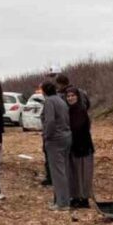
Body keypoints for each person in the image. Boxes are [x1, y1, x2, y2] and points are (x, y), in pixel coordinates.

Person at [40, 81, 72, 211]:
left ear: (44, 91)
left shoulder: (49, 102)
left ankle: (62, 203)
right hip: (66, 137)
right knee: (64, 170)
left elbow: (50, 121)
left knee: (57, 172)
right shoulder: (61, 100)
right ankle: (62, 199)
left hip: (55, 140)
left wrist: (46, 135)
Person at [66, 86, 94, 209]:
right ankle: (76, 197)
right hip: (73, 147)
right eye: (68, 96)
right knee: (75, 174)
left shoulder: (81, 110)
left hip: (83, 147)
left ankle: (84, 198)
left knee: (84, 174)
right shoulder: (68, 110)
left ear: (77, 96)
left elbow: (79, 128)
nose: (70, 98)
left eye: (73, 95)